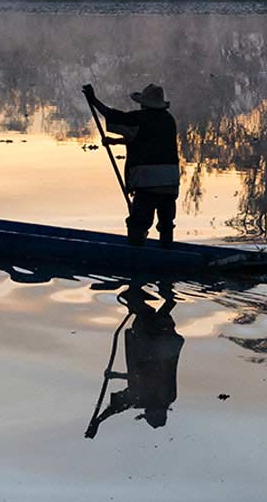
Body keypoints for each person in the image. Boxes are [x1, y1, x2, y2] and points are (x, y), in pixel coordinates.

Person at [83, 83, 180, 247]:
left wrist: (94, 100)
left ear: (144, 104)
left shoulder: (139, 119)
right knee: (166, 223)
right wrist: (115, 142)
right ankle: (168, 252)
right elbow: (148, 140)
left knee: (138, 223)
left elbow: (113, 116)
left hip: (148, 182)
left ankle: (135, 255)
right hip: (170, 182)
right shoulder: (169, 120)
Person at [85, 283, 185, 437]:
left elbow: (118, 406)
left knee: (154, 314)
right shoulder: (162, 396)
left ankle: (151, 291)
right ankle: (145, 291)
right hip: (154, 342)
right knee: (149, 315)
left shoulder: (150, 398)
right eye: (148, 412)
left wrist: (98, 421)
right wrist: (116, 376)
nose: (145, 409)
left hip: (158, 341)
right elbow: (146, 378)